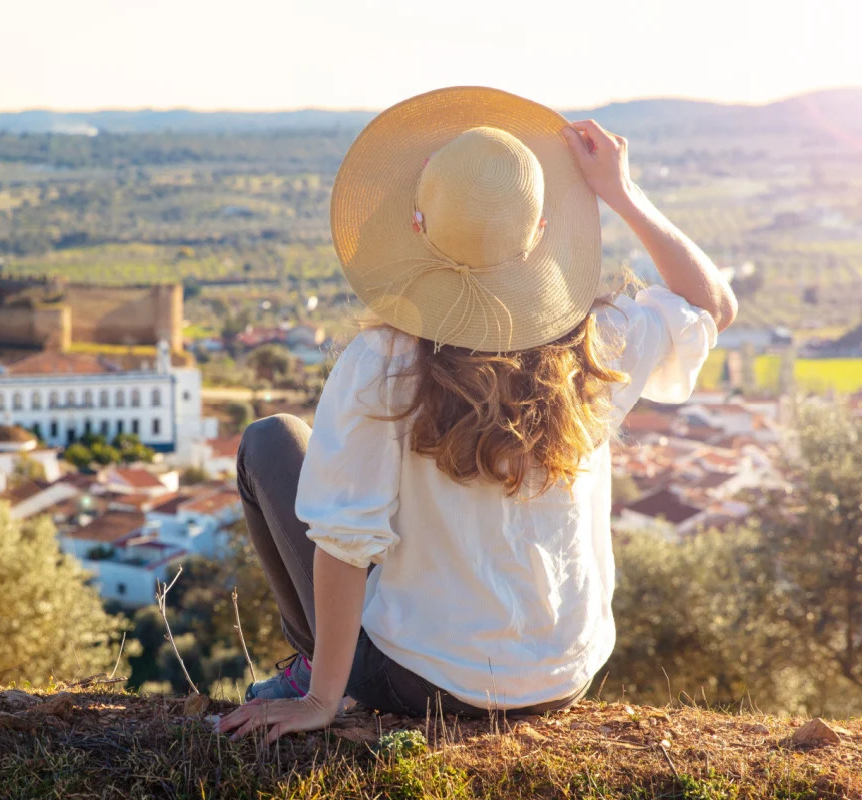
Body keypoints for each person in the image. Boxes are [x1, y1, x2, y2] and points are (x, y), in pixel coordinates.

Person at [217, 87, 736, 744]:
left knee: (270, 441)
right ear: (542, 230)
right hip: (561, 678)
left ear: (417, 225)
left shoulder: (384, 361)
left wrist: (326, 699)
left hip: (425, 683)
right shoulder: (602, 340)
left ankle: (320, 672)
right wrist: (623, 192)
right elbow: (712, 305)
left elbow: (345, 542)